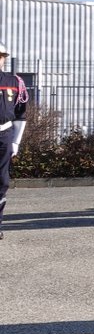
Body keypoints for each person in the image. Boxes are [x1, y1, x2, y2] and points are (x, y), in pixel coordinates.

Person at [0, 42, 30, 240]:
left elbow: (20, 114)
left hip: (4, 135)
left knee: (2, 181)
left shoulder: (14, 82)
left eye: (0, 56)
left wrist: (16, 142)